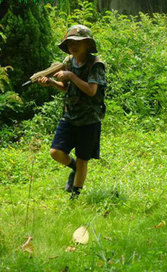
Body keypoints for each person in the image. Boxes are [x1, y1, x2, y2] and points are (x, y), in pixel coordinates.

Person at [38, 25, 106, 198]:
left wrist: (70, 76)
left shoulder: (95, 64)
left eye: (77, 42)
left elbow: (91, 91)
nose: (72, 46)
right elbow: (66, 88)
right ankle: (73, 167)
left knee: (83, 158)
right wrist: (52, 83)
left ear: (87, 44)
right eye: (69, 43)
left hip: (89, 119)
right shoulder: (68, 62)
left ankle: (75, 196)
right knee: (56, 152)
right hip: (70, 116)